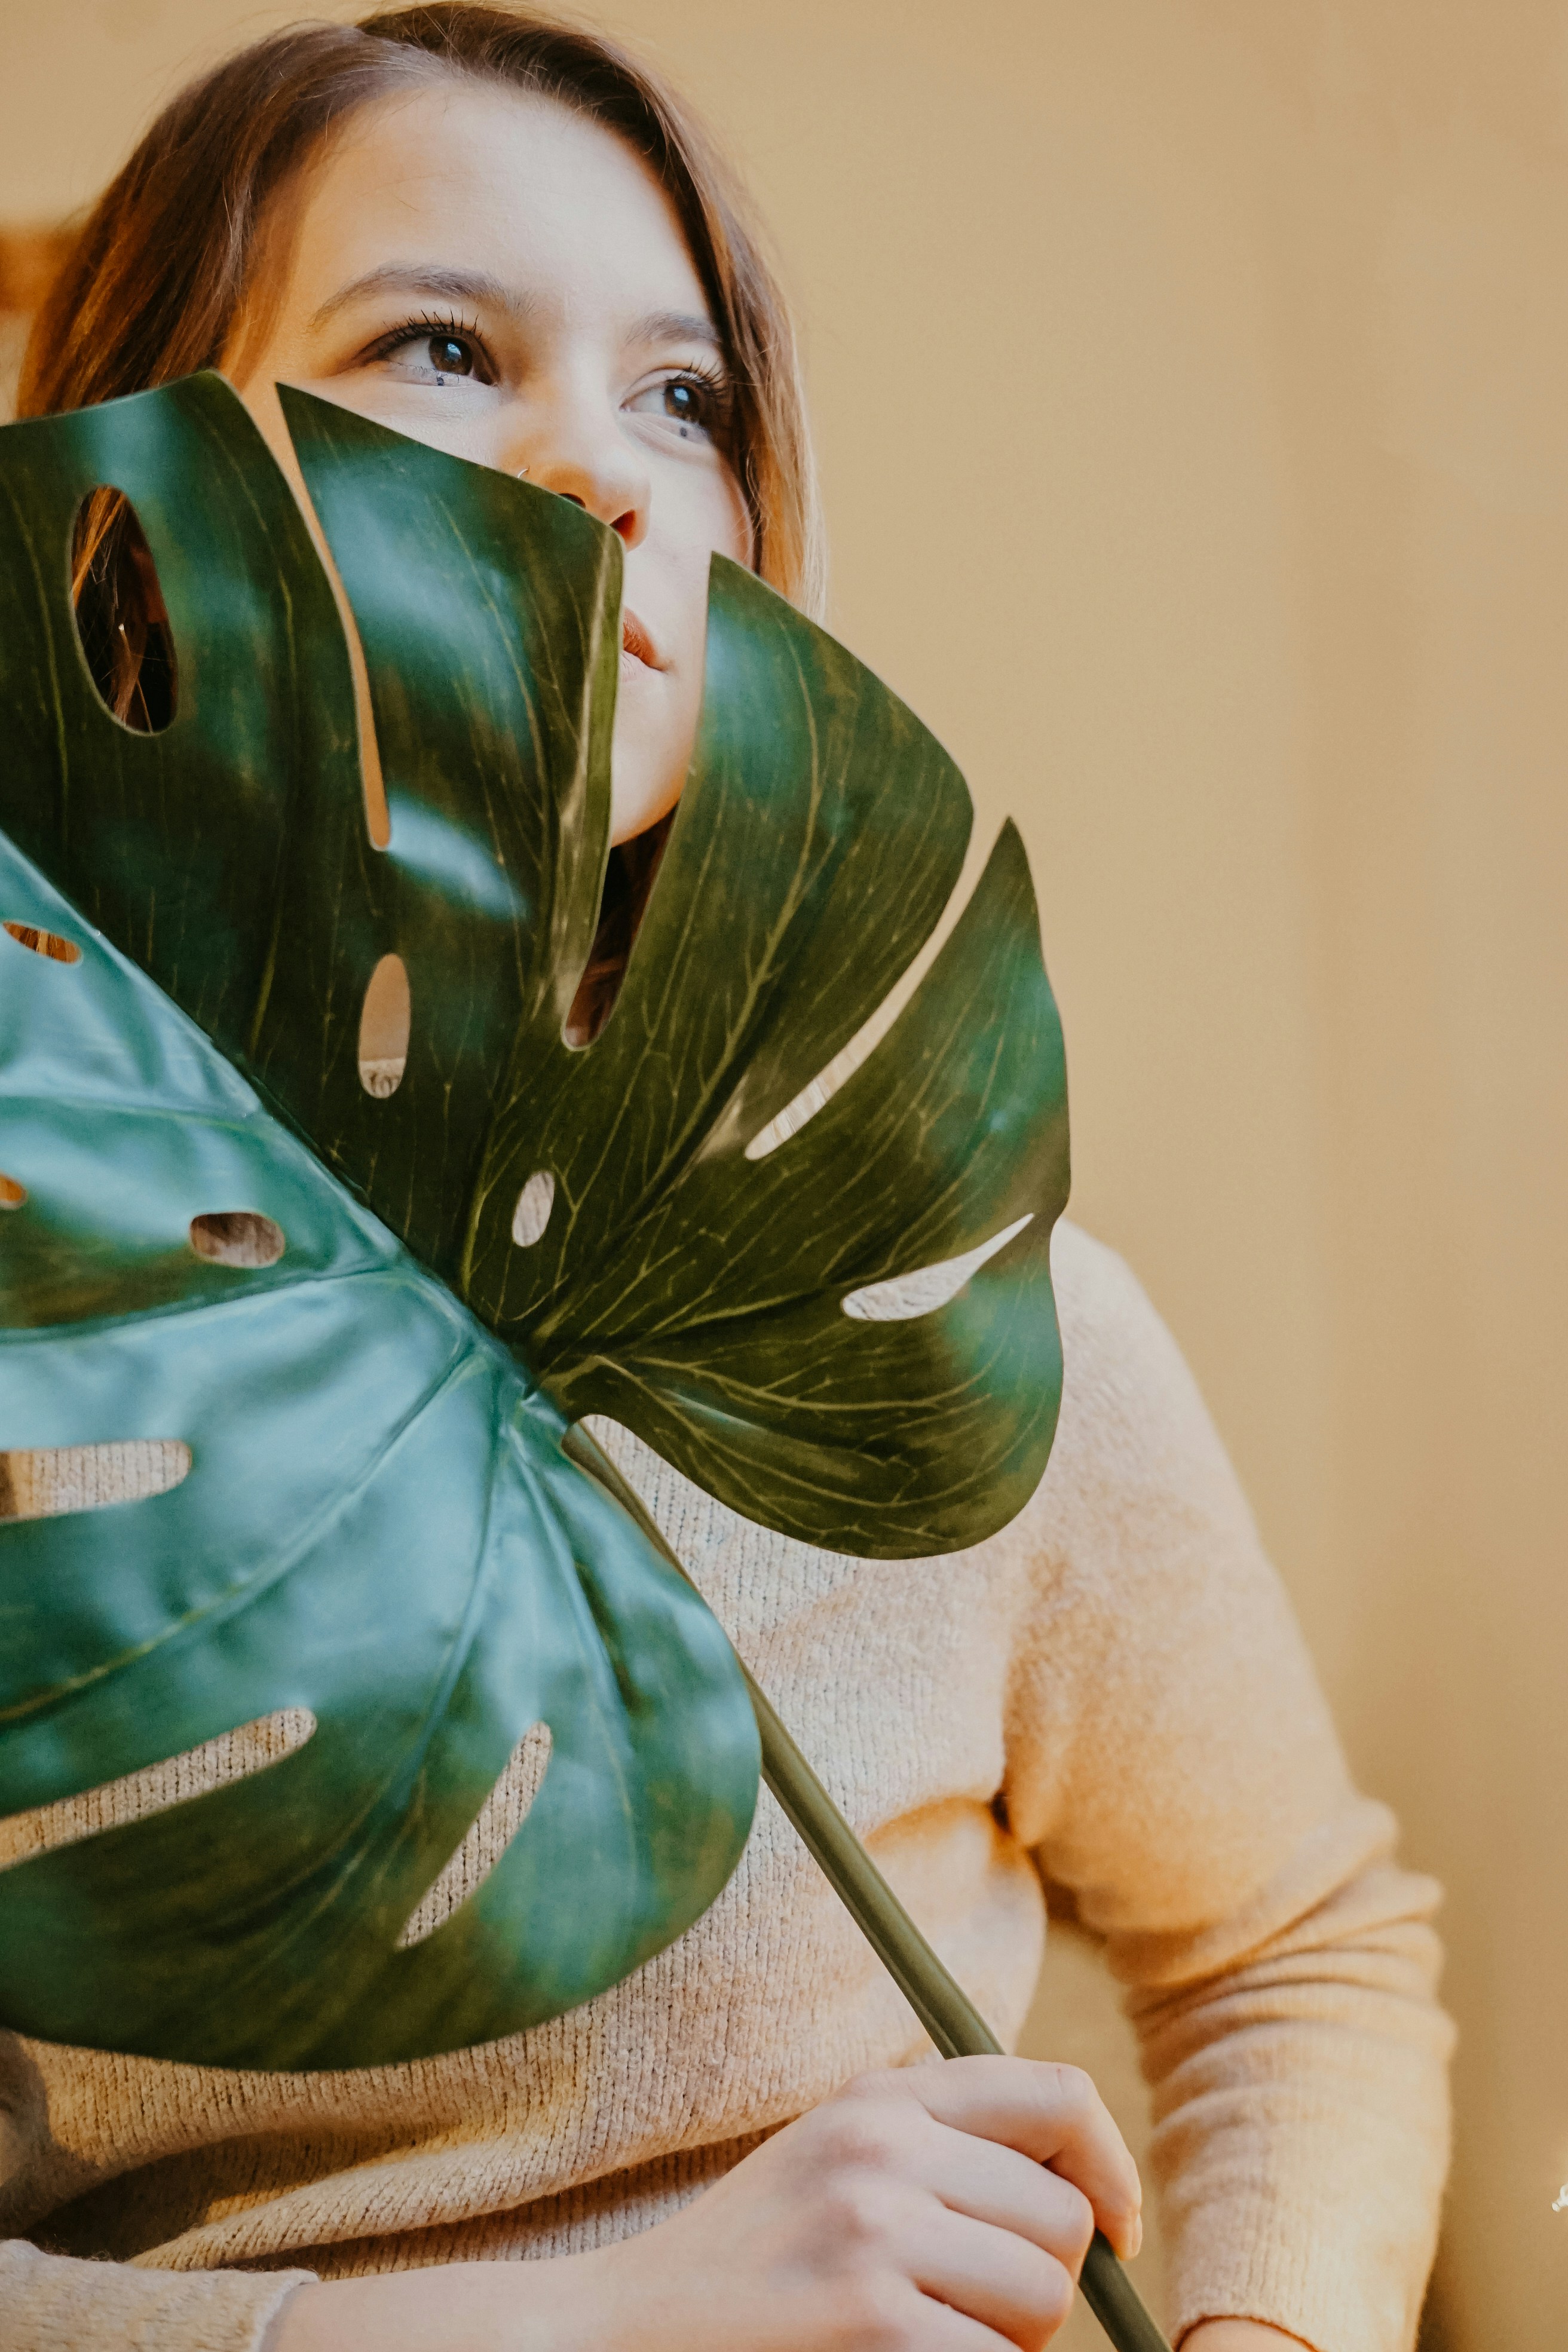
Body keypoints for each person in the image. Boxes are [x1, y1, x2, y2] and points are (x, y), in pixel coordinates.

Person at [0, 9, 1451, 2350]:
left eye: (685, 397)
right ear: (129, 500)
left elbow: (1295, 1953)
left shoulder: (931, 1308)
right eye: (441, 348)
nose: (609, 472)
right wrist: (571, 2327)